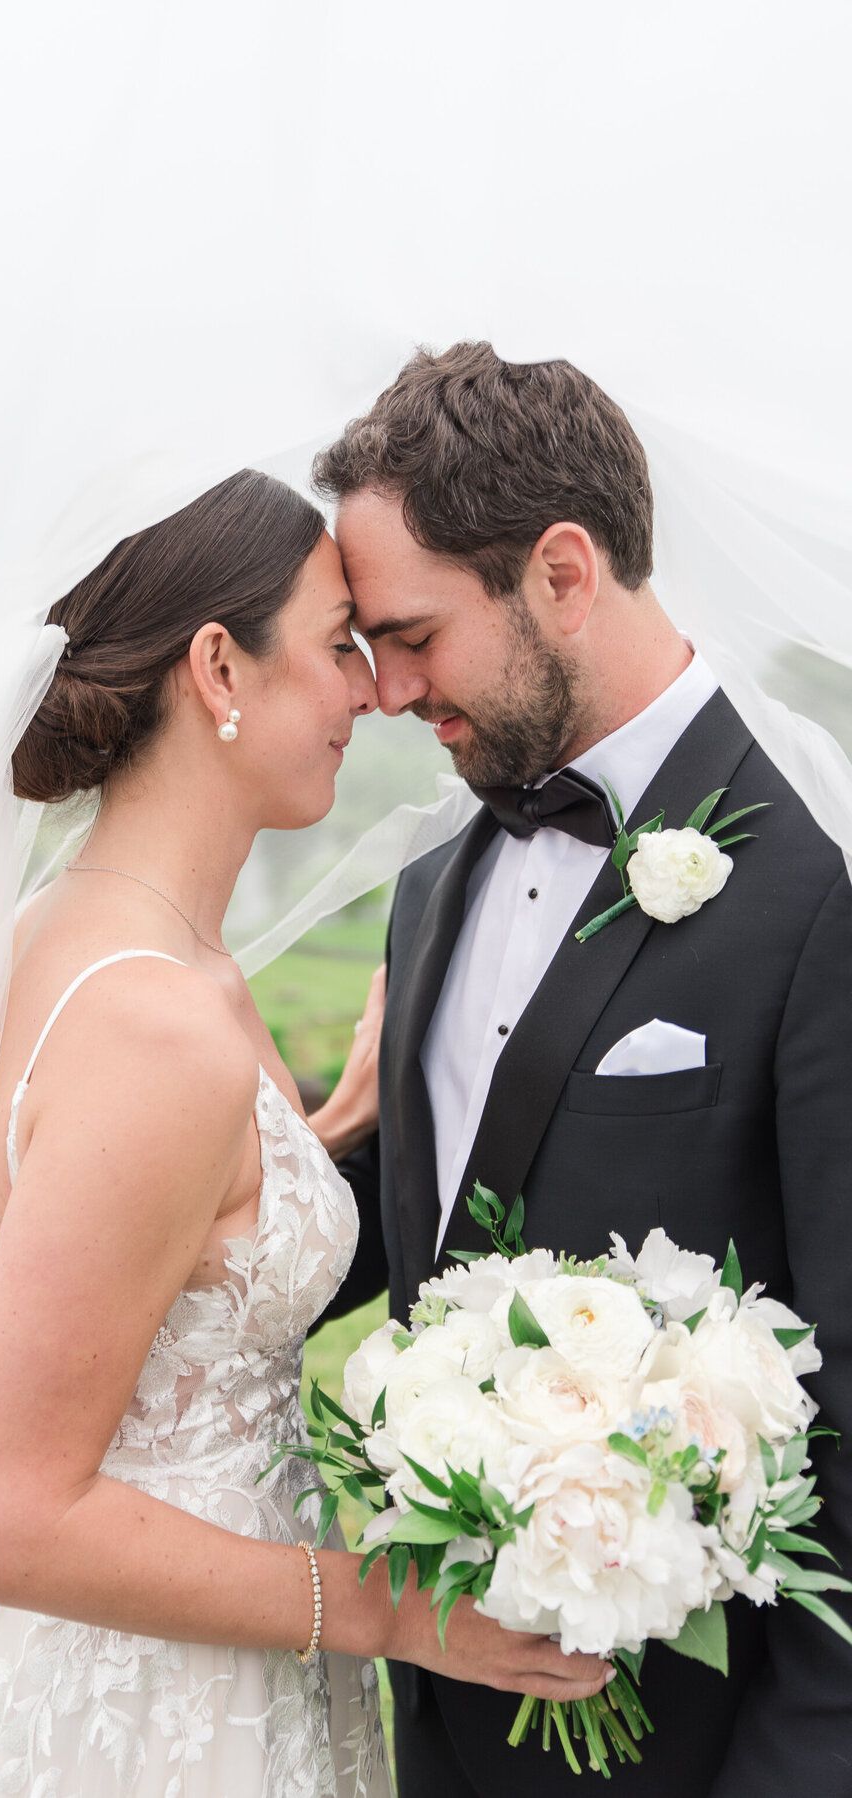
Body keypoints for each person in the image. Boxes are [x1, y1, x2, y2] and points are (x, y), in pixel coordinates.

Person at [0, 467, 610, 1798]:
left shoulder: (86, 937)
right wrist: (388, 1609)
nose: (371, 691)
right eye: (339, 644)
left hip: (195, 1656)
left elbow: (163, 1248)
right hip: (144, 1709)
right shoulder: (157, 1028)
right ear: (219, 664)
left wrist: (317, 1142)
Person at [318, 343, 852, 1798]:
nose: (388, 690)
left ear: (562, 568)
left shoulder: (816, 891)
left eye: (413, 632)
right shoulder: (434, 886)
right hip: (435, 1727)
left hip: (693, 1748)